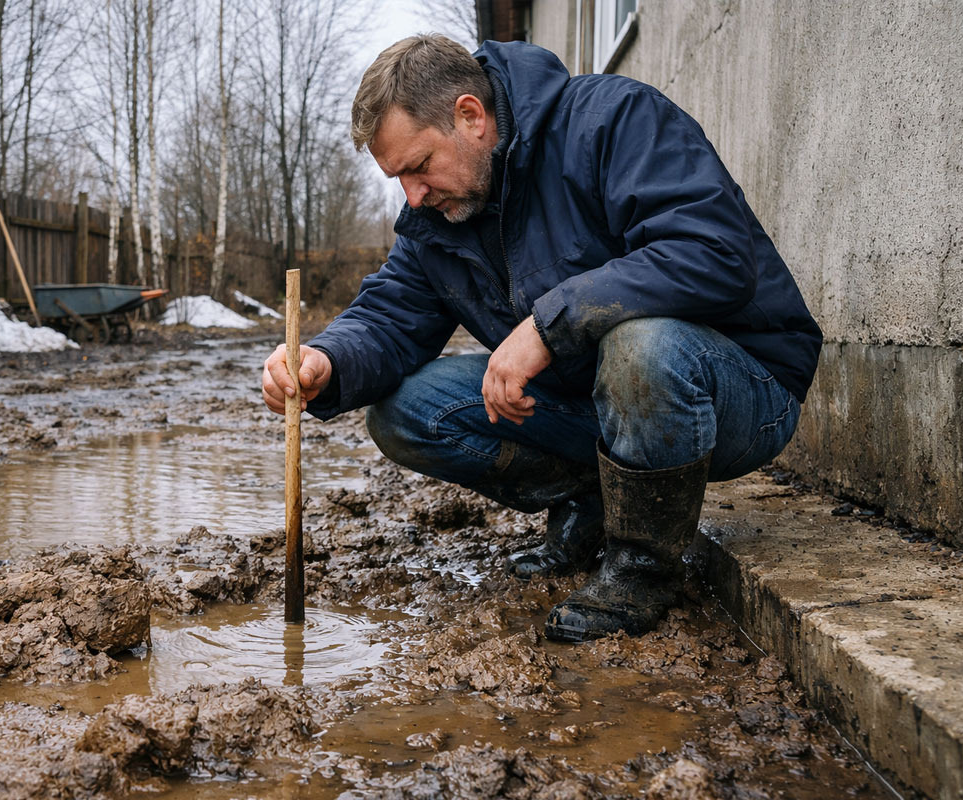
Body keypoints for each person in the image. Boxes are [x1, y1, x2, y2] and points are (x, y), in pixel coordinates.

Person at [261, 35, 822, 642]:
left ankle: (641, 568)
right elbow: (389, 316)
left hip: (741, 390)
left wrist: (550, 325)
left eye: (419, 166)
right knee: (404, 412)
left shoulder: (611, 120)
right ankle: (593, 501)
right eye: (398, 179)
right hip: (598, 405)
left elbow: (711, 254)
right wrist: (325, 359)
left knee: (644, 346)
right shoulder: (438, 218)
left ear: (470, 116)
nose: (413, 195)